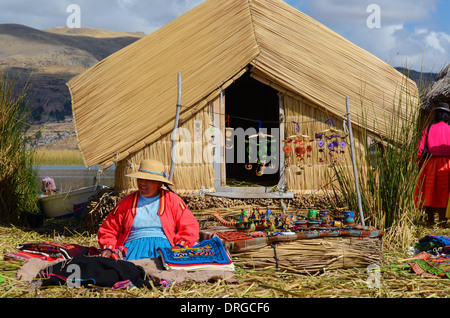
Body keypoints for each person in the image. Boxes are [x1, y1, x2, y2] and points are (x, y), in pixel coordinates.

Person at [98, 159, 199, 260]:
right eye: (140, 179)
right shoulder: (126, 202)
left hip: (164, 249)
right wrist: (108, 247)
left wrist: (180, 245)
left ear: (159, 183)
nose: (142, 183)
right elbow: (109, 229)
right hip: (132, 249)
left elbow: (189, 226)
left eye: (148, 180)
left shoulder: (173, 200)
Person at [415, 102, 450, 227]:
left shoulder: (428, 129)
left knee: (428, 191)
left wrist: (416, 162)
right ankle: (442, 221)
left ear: (436, 115)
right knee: (444, 192)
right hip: (446, 164)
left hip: (430, 162)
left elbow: (420, 148)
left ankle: (430, 220)